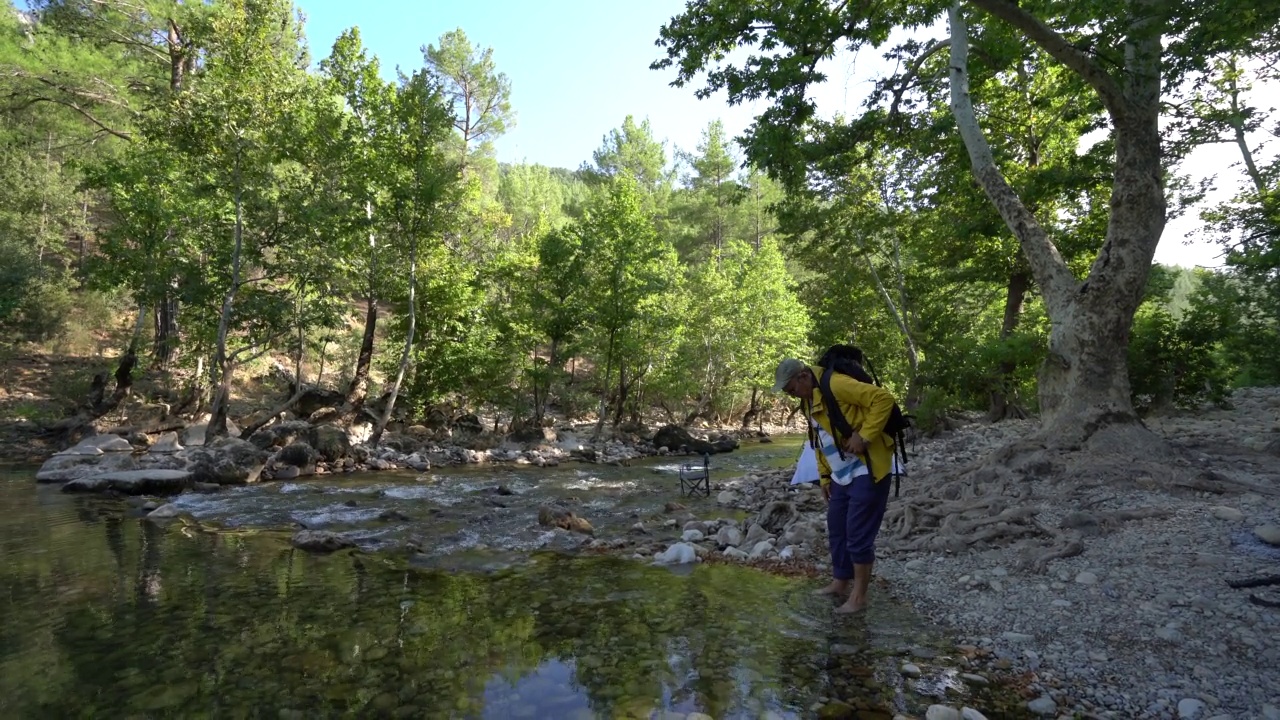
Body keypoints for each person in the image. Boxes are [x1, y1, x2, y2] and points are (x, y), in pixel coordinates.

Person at [772, 357, 896, 614]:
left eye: (791, 389)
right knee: (837, 529)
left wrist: (864, 435)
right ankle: (840, 583)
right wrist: (825, 477)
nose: (791, 396)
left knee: (858, 535)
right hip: (841, 475)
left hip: (868, 469)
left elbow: (883, 399)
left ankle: (859, 597)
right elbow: (819, 441)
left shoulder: (836, 384)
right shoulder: (808, 401)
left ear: (804, 377)